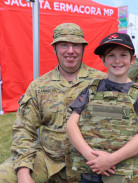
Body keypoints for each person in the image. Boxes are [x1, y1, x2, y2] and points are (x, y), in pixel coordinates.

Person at [0, 23, 107, 182]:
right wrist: (23, 172)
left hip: (89, 162)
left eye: (76, 45)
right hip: (48, 161)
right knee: (5, 176)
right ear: (54, 49)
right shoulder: (39, 86)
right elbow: (24, 130)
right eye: (64, 45)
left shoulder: (102, 82)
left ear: (83, 48)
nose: (70, 51)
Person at [66, 32, 138, 183]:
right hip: (90, 170)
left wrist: (110, 160)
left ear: (132, 59)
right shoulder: (91, 89)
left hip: (121, 174)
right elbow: (71, 124)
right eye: (111, 55)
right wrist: (90, 155)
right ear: (103, 60)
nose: (117, 60)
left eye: (123, 55)